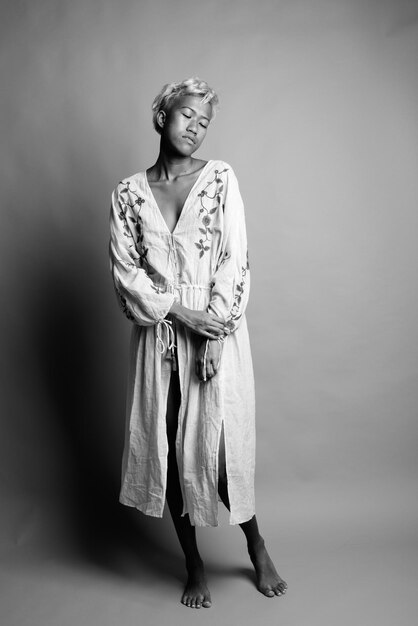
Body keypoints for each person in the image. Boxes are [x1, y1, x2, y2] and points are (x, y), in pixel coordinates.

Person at [109, 77, 287, 609]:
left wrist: (214, 330)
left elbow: (235, 259)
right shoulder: (126, 193)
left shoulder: (220, 179)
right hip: (161, 338)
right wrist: (181, 314)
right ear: (162, 115)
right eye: (188, 115)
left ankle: (255, 543)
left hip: (217, 334)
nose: (197, 127)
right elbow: (127, 275)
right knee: (166, 449)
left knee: (222, 451)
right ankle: (193, 562)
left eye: (205, 121)